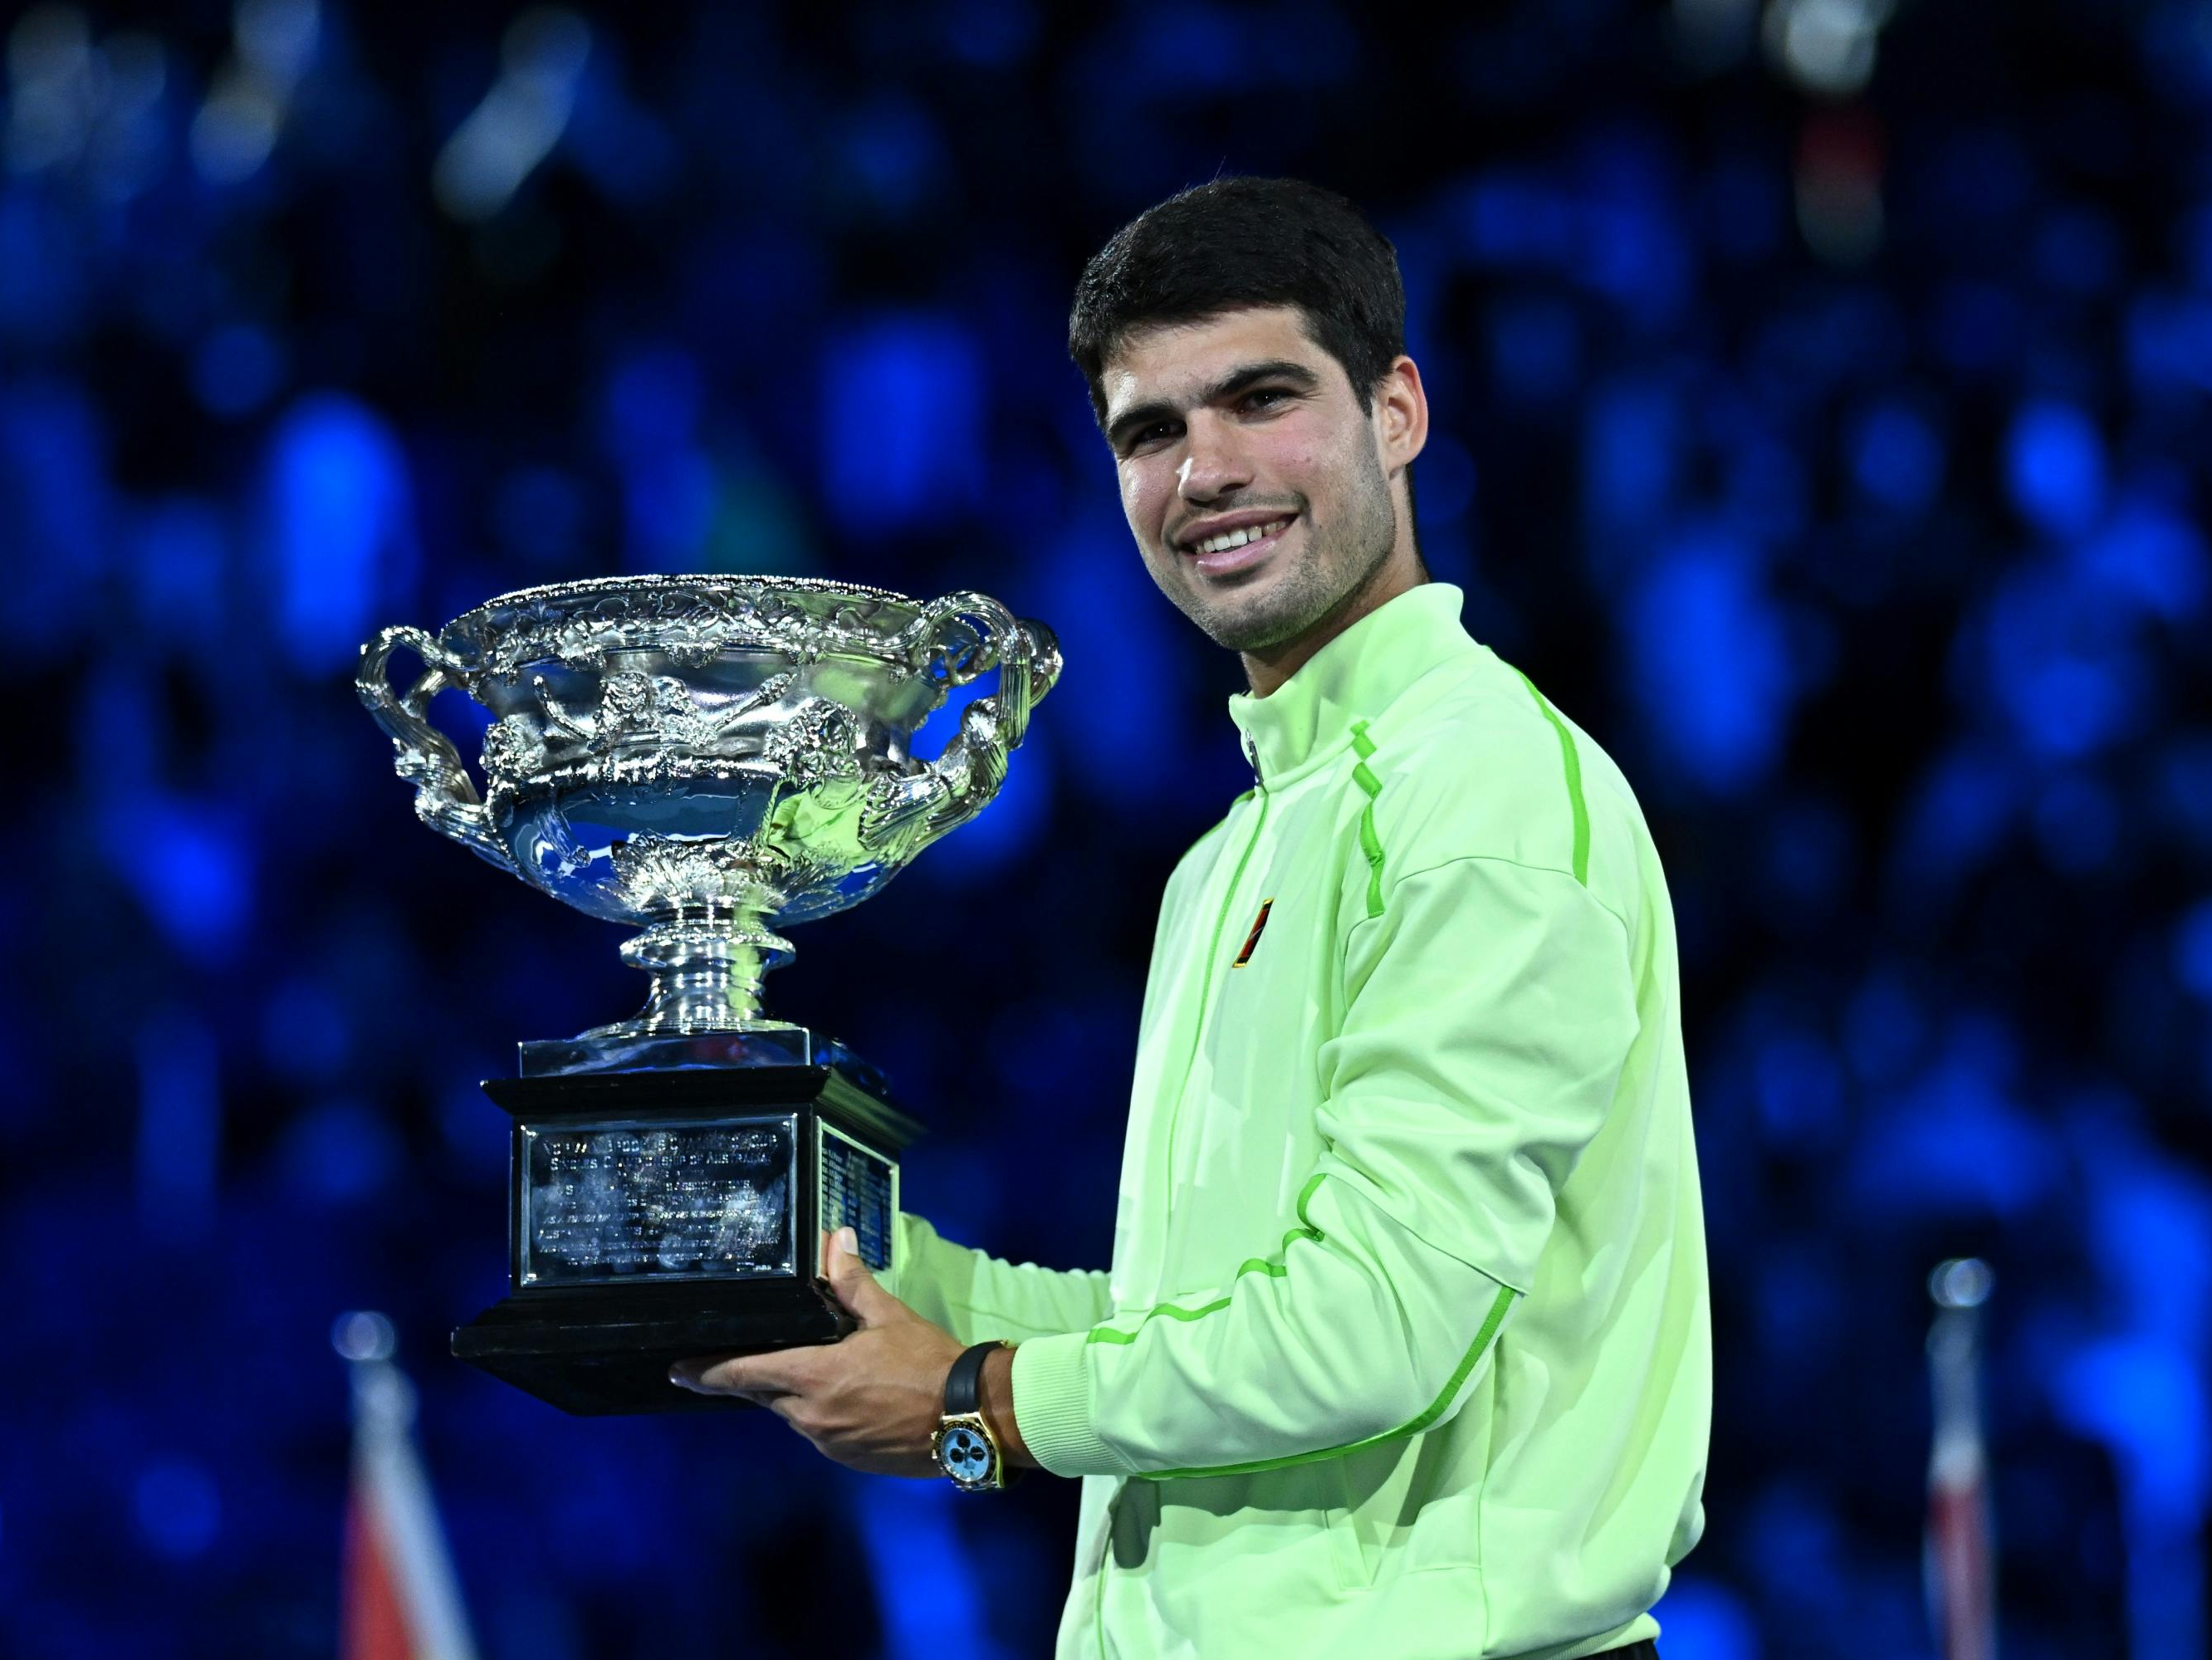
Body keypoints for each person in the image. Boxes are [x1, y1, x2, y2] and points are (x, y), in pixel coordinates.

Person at [673, 176, 1711, 1660]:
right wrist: (857, 1273)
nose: (1206, 470)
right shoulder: (1232, 852)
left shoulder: (1480, 791)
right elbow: (1202, 1318)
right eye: (1150, 431)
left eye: (1261, 399)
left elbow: (1375, 1327)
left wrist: (974, 1406)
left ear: (1398, 412)